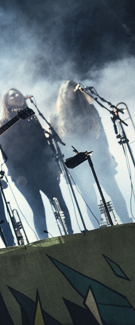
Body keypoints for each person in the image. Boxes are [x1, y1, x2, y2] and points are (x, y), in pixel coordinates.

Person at [54, 80, 132, 225]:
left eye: (72, 91)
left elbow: (101, 132)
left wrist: (107, 152)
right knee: (90, 199)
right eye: (66, 92)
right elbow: (58, 147)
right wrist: (63, 168)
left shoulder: (89, 109)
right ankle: (99, 229)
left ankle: (127, 222)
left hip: (97, 154)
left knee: (114, 192)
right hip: (76, 161)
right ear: (61, 95)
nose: (69, 95)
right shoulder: (56, 118)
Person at [0, 88, 72, 239]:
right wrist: (17, 175)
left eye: (18, 93)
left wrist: (54, 167)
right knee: (38, 209)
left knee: (60, 204)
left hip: (43, 169)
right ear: (6, 102)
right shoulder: (4, 123)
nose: (17, 96)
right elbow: (6, 153)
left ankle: (71, 235)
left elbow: (44, 143)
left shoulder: (31, 117)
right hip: (23, 175)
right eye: (12, 95)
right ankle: (44, 242)